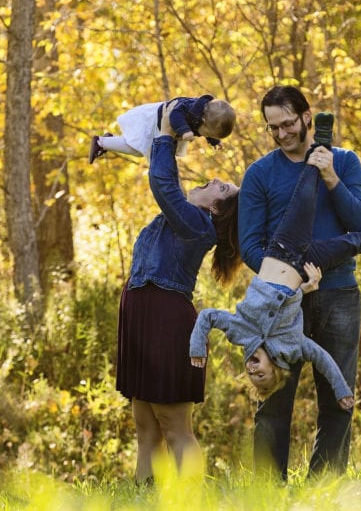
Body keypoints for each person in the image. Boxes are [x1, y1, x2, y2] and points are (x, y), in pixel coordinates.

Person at [189, 114, 361, 411]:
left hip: (281, 248)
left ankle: (323, 143)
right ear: (275, 368)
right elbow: (323, 359)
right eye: (261, 376)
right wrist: (307, 289)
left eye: (251, 375)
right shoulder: (292, 344)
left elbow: (208, 317)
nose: (253, 371)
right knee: (354, 243)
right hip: (307, 269)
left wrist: (197, 350)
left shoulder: (240, 331)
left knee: (305, 194)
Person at [238, 85, 361, 481]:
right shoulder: (260, 174)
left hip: (338, 295)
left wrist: (329, 175)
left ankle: (323, 491)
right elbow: (250, 245)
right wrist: (290, 281)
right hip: (280, 303)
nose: (281, 134)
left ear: (306, 116)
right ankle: (267, 494)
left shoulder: (345, 162)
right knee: (275, 399)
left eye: (287, 124)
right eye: (272, 128)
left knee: (338, 398)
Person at [115, 102, 243, 484]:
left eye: (222, 187)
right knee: (144, 425)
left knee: (174, 426)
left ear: (218, 209)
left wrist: (167, 136)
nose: (215, 179)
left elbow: (163, 183)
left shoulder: (197, 224)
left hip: (165, 319)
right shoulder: (184, 217)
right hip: (141, 314)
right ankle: (142, 497)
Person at [89, 95, 236, 163]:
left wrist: (214, 141)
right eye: (209, 134)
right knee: (138, 148)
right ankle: (100, 142)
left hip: (164, 130)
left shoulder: (205, 115)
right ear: (203, 121)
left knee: (139, 149)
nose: (206, 135)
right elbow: (174, 113)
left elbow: (206, 130)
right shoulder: (189, 108)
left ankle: (109, 140)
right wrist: (185, 130)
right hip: (152, 122)